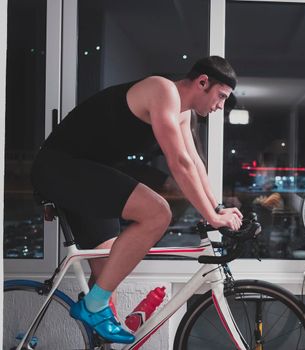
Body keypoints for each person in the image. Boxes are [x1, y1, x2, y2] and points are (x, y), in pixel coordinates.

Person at [30, 56, 243, 343]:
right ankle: (92, 308)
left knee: (108, 277)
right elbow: (178, 163)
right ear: (202, 82)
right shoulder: (161, 90)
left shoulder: (182, 113)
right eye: (221, 97)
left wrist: (215, 207)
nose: (220, 106)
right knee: (157, 213)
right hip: (62, 167)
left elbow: (195, 164)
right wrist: (214, 218)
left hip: (88, 174)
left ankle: (98, 332)